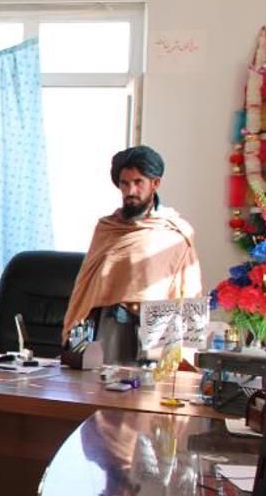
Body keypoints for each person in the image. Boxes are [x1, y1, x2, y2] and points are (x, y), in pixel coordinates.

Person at [63, 145, 202, 363]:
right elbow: (86, 284)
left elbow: (189, 289)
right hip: (110, 325)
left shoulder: (175, 233)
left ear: (155, 183)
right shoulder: (107, 228)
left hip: (156, 329)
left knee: (148, 384)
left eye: (138, 182)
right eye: (124, 183)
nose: (130, 191)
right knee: (102, 381)